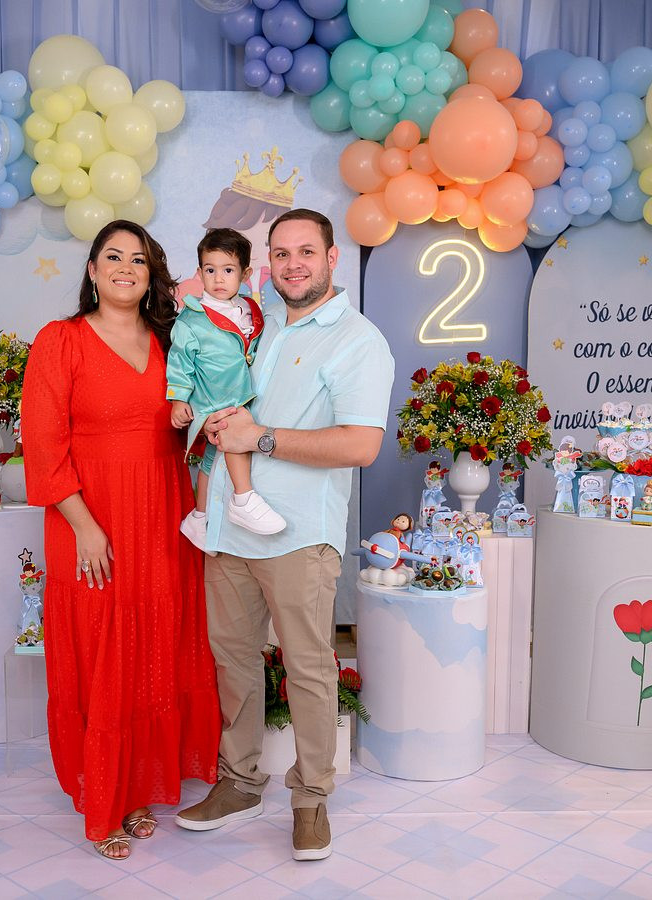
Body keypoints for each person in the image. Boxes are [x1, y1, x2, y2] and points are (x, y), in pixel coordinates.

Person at [175, 209, 394, 861]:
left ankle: (310, 798)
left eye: (306, 251)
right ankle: (240, 783)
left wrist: (260, 437)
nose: (293, 264)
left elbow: (360, 445)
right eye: (281, 253)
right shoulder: (255, 320)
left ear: (331, 258)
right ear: (265, 264)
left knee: (308, 669)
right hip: (226, 528)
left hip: (298, 533)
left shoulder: (357, 340)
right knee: (233, 661)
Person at [21, 220, 221, 860]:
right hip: (91, 519)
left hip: (162, 515)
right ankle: (104, 800)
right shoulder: (60, 342)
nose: (125, 268)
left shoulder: (171, 341)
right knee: (102, 650)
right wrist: (84, 526)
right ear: (92, 270)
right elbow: (44, 446)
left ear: (150, 272)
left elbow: (195, 420)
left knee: (152, 646)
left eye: (138, 259)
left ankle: (136, 791)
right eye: (113, 257)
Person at [168, 228, 284, 551]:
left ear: (245, 274)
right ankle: (243, 498)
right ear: (199, 273)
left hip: (240, 389)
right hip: (215, 394)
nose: (218, 278)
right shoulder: (192, 320)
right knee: (234, 432)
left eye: (228, 270)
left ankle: (199, 516)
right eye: (210, 270)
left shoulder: (249, 310)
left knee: (210, 459)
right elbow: (179, 361)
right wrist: (178, 399)